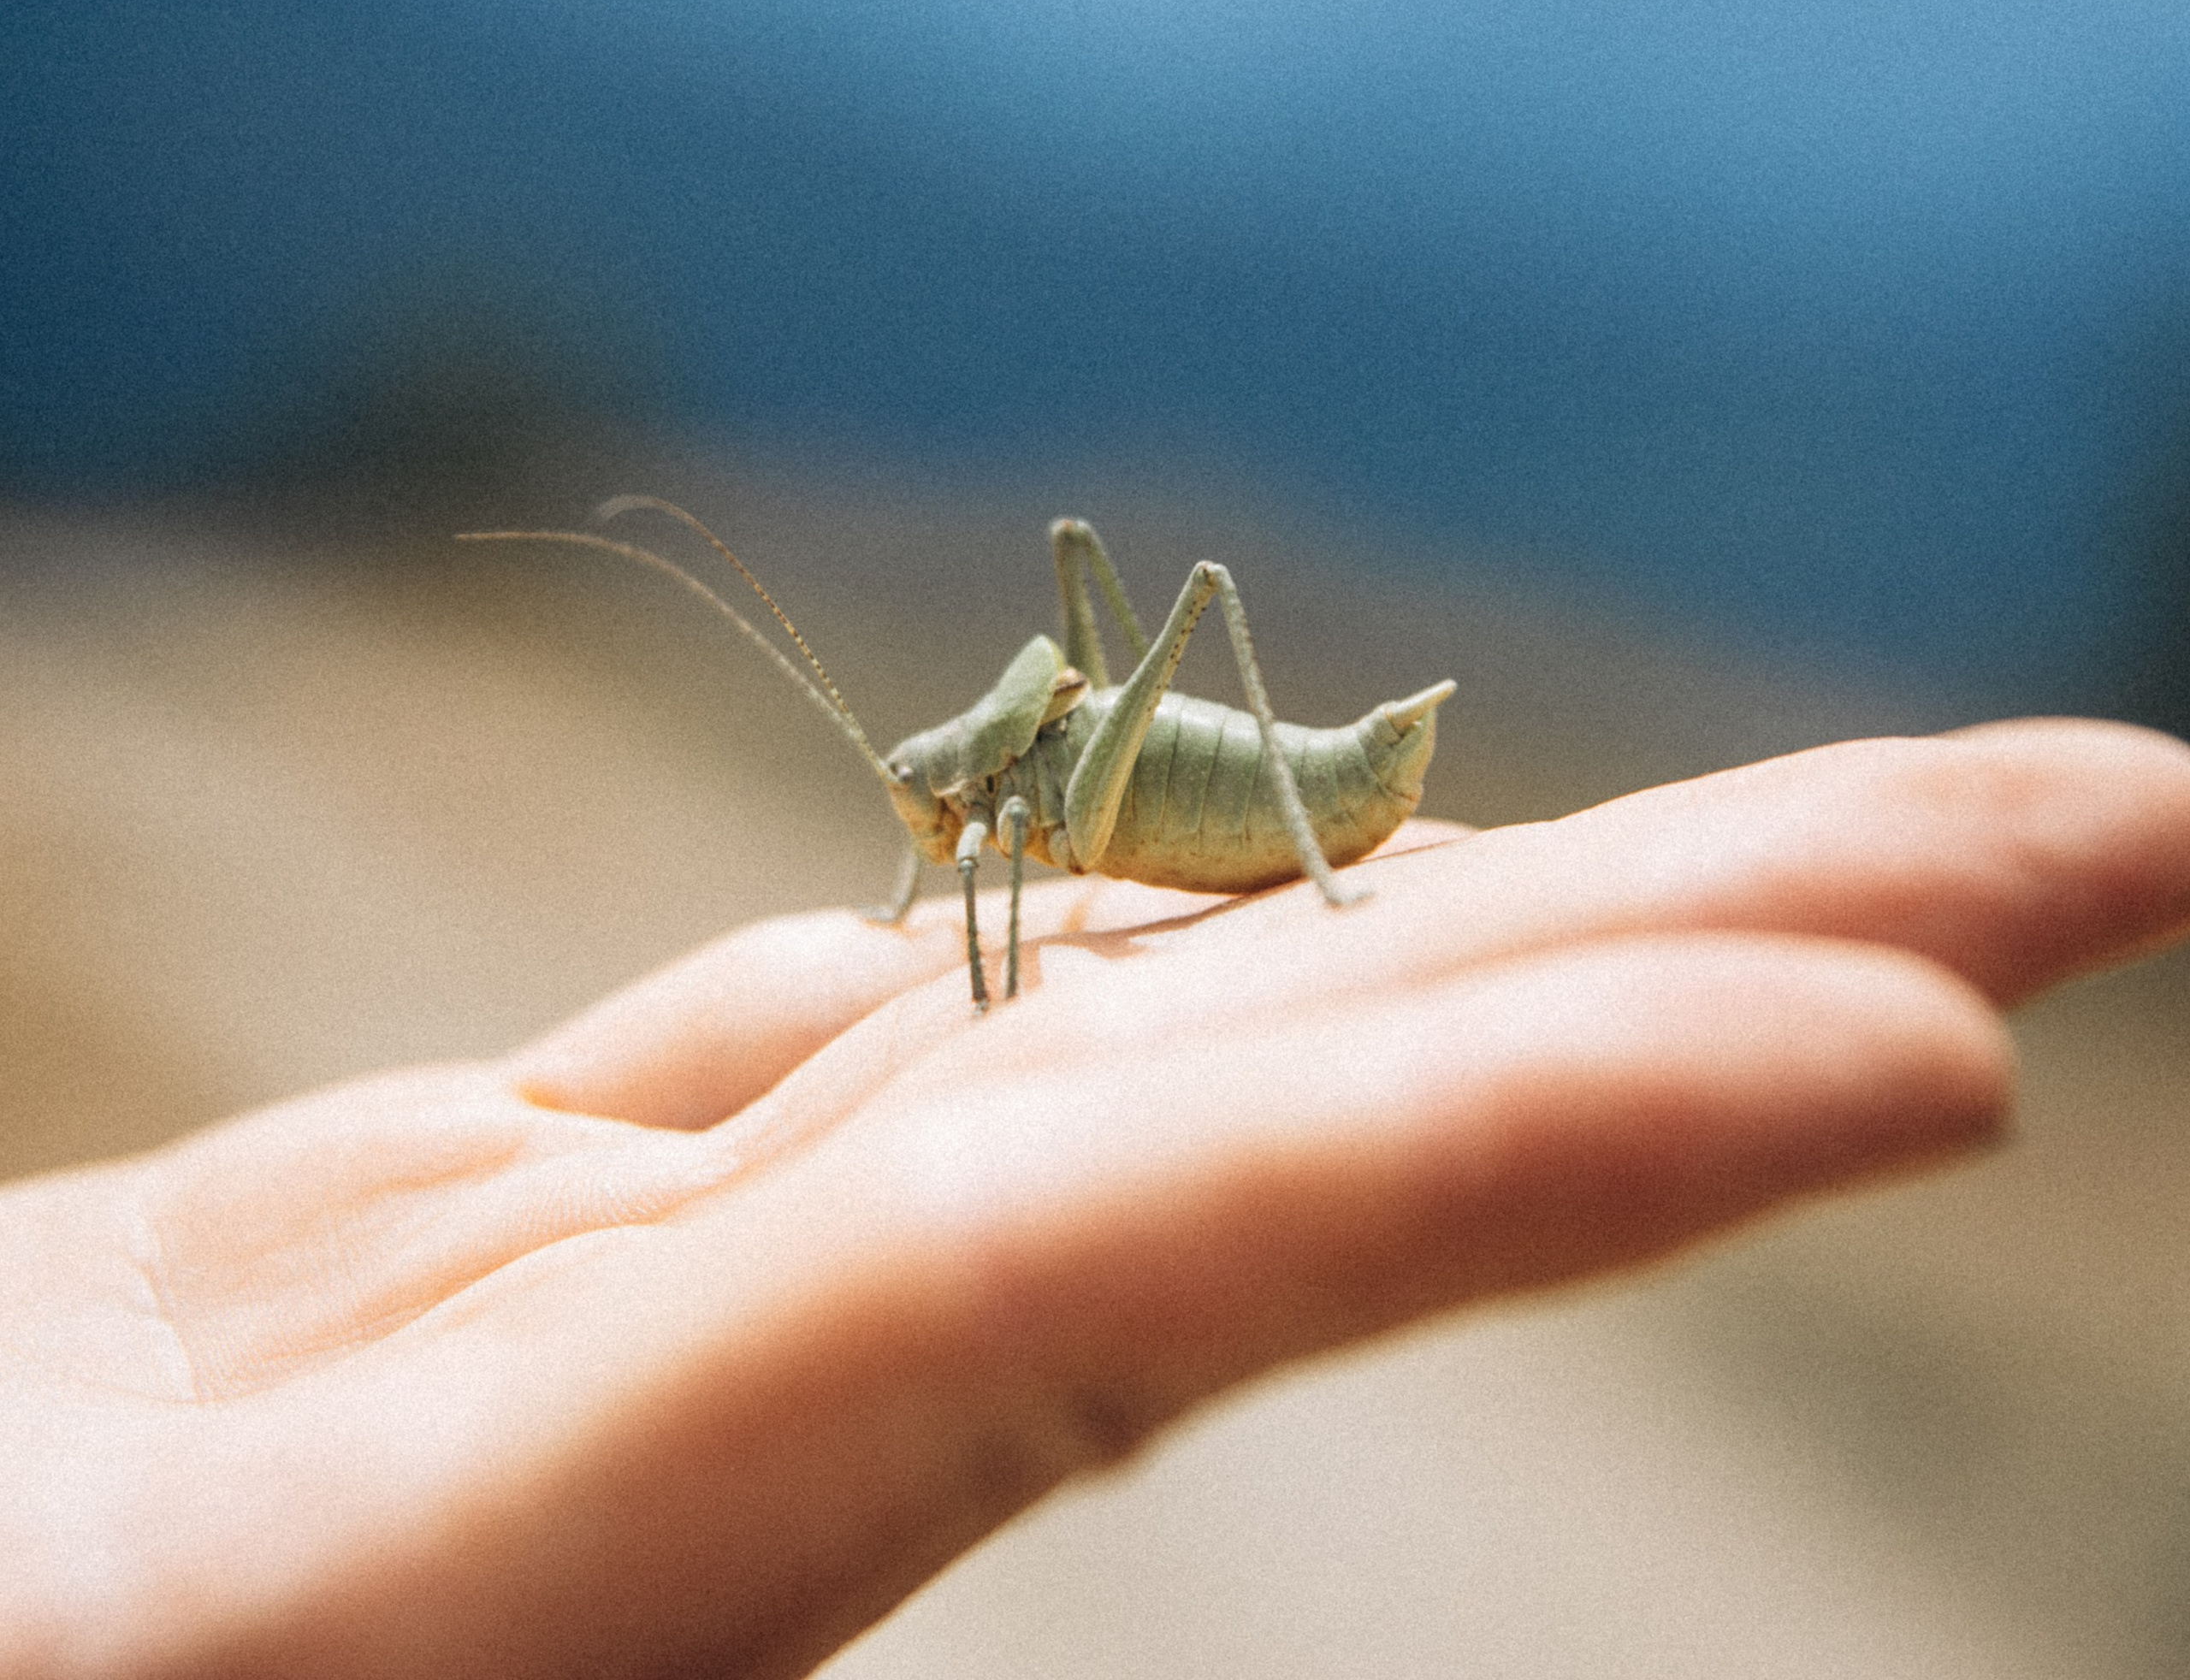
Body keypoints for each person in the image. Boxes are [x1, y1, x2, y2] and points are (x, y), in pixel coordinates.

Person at [3, 719, 2187, 1678]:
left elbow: (995, 855)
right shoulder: (979, 810)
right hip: (1140, 789)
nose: (925, 815)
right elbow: (971, 865)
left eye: (932, 797)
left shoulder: (1021, 788)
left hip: (1265, 795)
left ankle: (1318, 824)